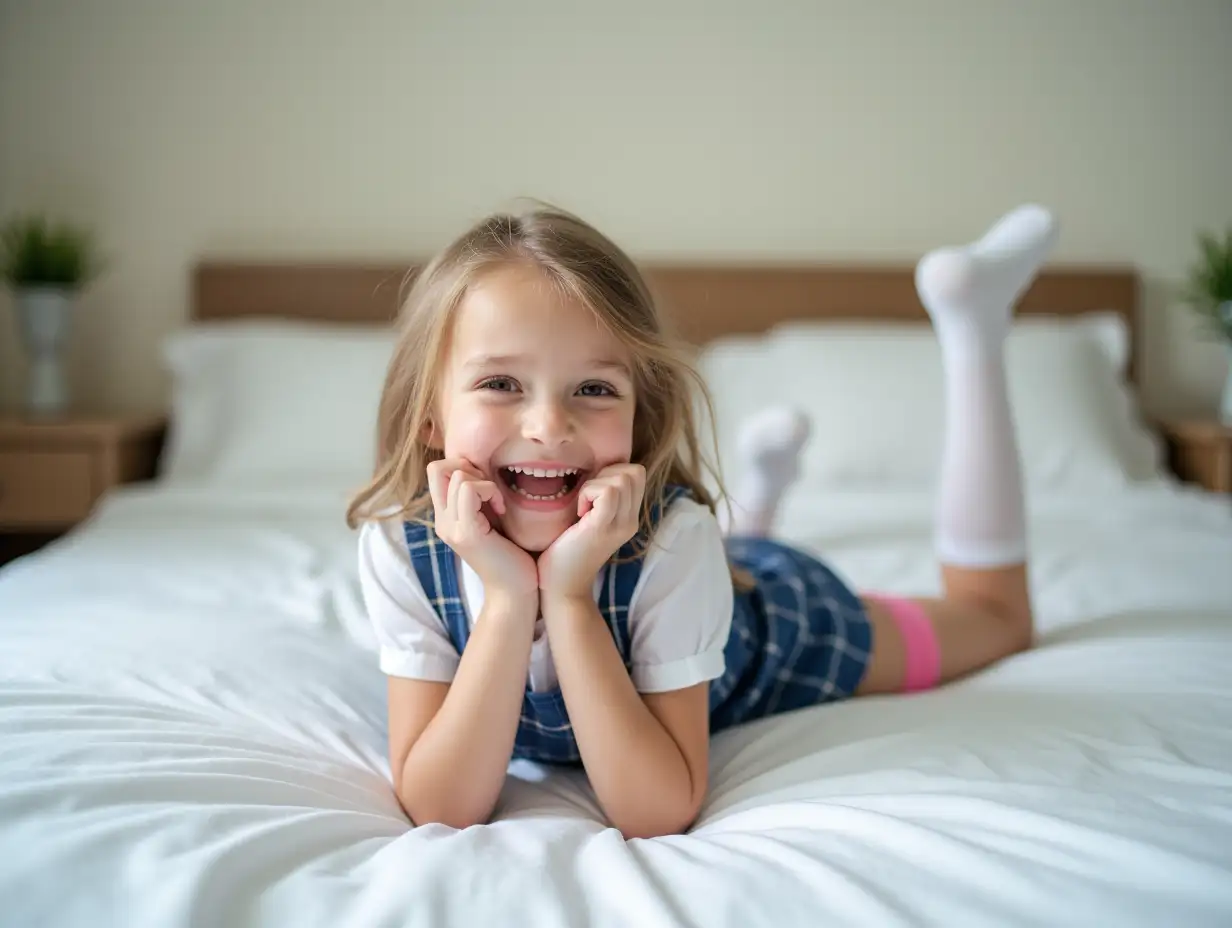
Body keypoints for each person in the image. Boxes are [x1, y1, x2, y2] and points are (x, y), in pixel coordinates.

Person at [349, 202, 1058, 839]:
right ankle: (764, 491)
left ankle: (974, 326)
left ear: (640, 415)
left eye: (594, 388)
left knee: (996, 619)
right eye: (500, 384)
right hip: (692, 574)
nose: (548, 424)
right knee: (716, 553)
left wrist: (566, 596)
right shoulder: (399, 547)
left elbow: (657, 810)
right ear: (431, 417)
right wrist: (508, 600)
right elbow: (440, 807)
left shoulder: (675, 541)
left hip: (771, 627)